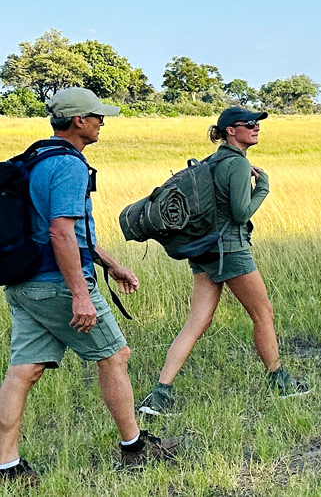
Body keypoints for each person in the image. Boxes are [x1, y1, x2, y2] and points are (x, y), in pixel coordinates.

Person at [1, 88, 178, 485]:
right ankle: (135, 448)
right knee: (115, 356)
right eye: (97, 116)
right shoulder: (69, 165)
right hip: (58, 284)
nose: (102, 122)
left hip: (24, 282)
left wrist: (111, 265)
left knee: (24, 371)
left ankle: (6, 467)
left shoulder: (36, 157)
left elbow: (65, 230)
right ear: (78, 121)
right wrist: (81, 293)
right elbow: (62, 233)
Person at [137, 107, 307, 417]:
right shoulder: (237, 164)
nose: (256, 127)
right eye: (249, 124)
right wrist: (263, 188)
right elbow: (241, 214)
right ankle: (281, 384)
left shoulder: (212, 161)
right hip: (230, 250)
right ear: (231, 131)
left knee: (197, 321)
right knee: (263, 312)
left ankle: (160, 395)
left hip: (203, 250)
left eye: (256, 123)